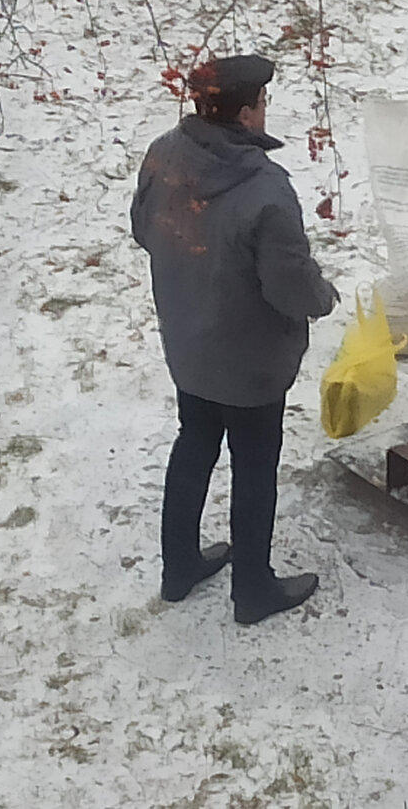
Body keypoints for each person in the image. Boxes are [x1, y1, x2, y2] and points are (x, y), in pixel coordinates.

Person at [129, 54, 337, 624]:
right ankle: (254, 589)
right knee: (253, 466)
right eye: (263, 103)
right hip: (251, 362)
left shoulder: (163, 153)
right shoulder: (265, 189)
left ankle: (179, 567)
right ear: (246, 113)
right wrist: (324, 297)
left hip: (190, 344)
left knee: (194, 441)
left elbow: (142, 228)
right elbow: (291, 289)